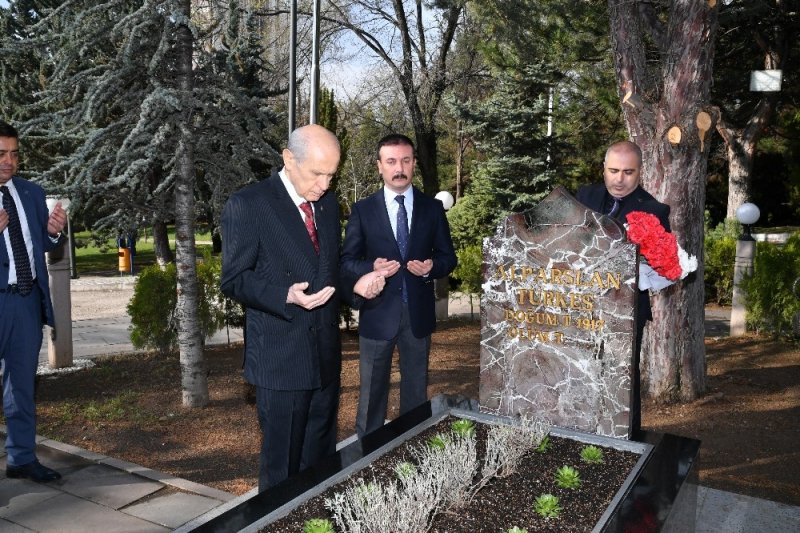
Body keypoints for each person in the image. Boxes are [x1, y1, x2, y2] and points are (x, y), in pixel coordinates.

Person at [220, 124, 387, 491]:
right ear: (289, 159)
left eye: (331, 175)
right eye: (317, 174)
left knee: (320, 467)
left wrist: (356, 284)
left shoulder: (325, 204)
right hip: (281, 362)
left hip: (324, 358)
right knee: (282, 473)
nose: (324, 185)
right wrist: (285, 295)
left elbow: (329, 268)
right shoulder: (249, 204)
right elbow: (234, 279)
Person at [341, 133, 457, 438]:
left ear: (414, 163)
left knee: (416, 395)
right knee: (371, 396)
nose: (399, 168)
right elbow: (347, 262)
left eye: (405, 160)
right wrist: (371, 268)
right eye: (391, 161)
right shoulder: (363, 210)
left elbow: (448, 257)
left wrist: (432, 268)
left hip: (417, 316)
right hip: (377, 314)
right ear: (379, 166)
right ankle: (368, 456)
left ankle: (411, 451)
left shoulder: (432, 209)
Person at [575, 140, 671, 435]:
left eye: (628, 172)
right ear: (603, 169)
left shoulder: (653, 210)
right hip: (579, 306)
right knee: (580, 372)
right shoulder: (584, 196)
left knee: (621, 380)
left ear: (640, 171)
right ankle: (580, 431)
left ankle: (626, 440)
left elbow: (663, 264)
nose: (619, 179)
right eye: (613, 171)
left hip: (625, 313)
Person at [0, 121, 67, 481]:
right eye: (1, 154)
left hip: (25, 303)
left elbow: (43, 243)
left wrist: (54, 232)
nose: (8, 162)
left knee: (22, 385)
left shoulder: (30, 192)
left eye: (14, 154)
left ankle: (22, 457)